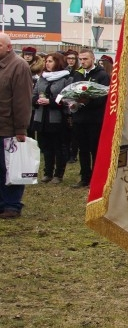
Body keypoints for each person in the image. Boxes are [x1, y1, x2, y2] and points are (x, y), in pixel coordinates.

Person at [1, 33, 34, 218]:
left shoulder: (19, 66)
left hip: (9, 127)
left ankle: (12, 205)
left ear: (9, 47)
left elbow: (22, 100)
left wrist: (21, 128)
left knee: (11, 167)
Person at [31, 52, 74, 184]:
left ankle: (58, 174)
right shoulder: (42, 78)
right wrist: (37, 100)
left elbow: (67, 98)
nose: (47, 63)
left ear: (58, 62)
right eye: (46, 61)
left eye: (50, 61)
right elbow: (33, 94)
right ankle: (47, 173)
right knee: (46, 146)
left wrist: (50, 101)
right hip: (41, 117)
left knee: (59, 146)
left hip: (57, 118)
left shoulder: (67, 78)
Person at [71, 49, 110, 188]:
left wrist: (85, 101)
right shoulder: (78, 74)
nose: (83, 62)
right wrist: (72, 102)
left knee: (94, 149)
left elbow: (103, 97)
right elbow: (73, 91)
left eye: (85, 59)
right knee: (83, 149)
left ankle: (96, 177)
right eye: (80, 59)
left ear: (93, 59)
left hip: (95, 119)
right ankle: (85, 177)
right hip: (79, 118)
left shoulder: (102, 75)